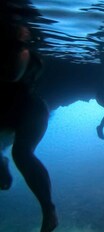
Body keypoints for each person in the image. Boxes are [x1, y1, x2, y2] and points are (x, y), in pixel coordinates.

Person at [0, 25, 58, 232]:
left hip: (30, 110)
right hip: (9, 111)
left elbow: (13, 74)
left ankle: (48, 211)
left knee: (22, 153)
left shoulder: (22, 52)